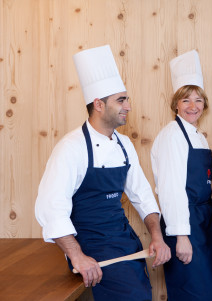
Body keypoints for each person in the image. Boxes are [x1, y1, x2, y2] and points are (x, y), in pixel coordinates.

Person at [35, 45, 171, 300]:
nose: (129, 106)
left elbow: (142, 195)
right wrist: (77, 255)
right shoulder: (71, 147)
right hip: (92, 251)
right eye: (121, 100)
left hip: (124, 244)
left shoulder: (124, 144)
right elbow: (50, 207)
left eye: (127, 99)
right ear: (98, 104)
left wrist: (156, 236)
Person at [151, 50, 212, 301]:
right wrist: (181, 237)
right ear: (176, 104)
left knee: (207, 291)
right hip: (184, 224)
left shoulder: (197, 135)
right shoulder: (172, 136)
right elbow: (171, 190)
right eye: (186, 100)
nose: (193, 106)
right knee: (192, 292)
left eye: (199, 100)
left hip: (202, 222)